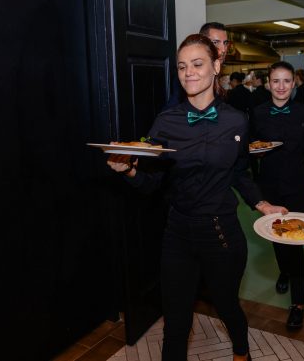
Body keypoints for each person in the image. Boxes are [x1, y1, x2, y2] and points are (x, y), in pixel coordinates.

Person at [107, 34, 287, 361]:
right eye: (182, 66)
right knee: (176, 322)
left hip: (221, 233)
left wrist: (262, 204)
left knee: (227, 306)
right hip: (177, 233)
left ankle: (241, 353)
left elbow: (239, 173)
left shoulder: (236, 120)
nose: (188, 72)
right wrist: (128, 171)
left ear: (216, 66)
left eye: (197, 64)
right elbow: (152, 184)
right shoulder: (165, 122)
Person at [250, 61, 304, 330]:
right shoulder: (257, 113)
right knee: (277, 238)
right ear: (268, 83)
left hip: (298, 187)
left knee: (295, 242)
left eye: (286, 81)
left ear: (293, 83)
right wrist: (255, 151)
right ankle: (284, 271)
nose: (281, 86)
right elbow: (251, 145)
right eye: (275, 81)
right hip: (270, 187)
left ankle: (298, 304)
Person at [165, 22, 231, 108]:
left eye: (225, 43)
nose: (223, 50)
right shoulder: (187, 76)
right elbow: (174, 107)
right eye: (215, 42)